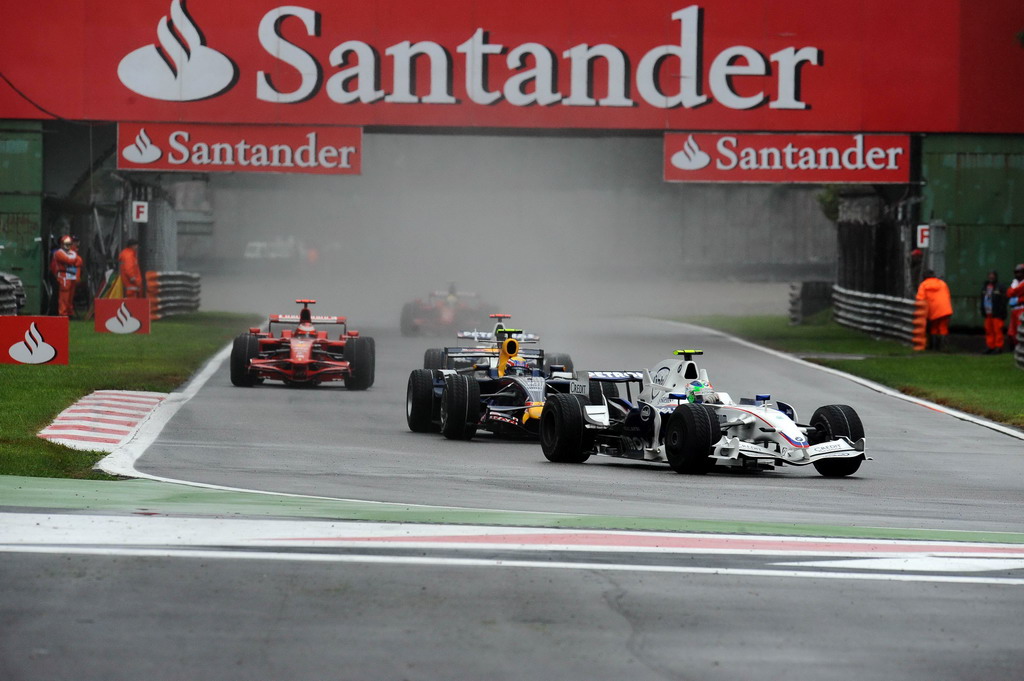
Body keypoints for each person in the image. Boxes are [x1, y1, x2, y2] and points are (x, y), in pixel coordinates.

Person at [916, 270, 953, 351]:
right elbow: (947, 295)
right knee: (943, 327)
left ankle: (933, 346)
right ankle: (943, 347)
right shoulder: (942, 283)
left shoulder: (923, 285)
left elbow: (920, 299)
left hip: (933, 310)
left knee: (934, 328)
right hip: (945, 309)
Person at [50, 235, 83, 317]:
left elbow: (79, 261)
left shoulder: (72, 252)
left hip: (71, 276)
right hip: (63, 276)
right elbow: (69, 260)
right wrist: (74, 260)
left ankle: (69, 313)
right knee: (64, 297)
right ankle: (63, 313)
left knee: (70, 297)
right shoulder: (59, 253)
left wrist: (74, 260)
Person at [979, 270, 1007, 354]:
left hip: (997, 313)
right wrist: (983, 310)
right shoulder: (985, 287)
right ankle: (990, 346)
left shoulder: (1000, 286)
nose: (991, 277)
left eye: (993, 275)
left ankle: (999, 347)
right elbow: (982, 299)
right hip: (988, 313)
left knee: (997, 330)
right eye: (990, 275)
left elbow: (1003, 300)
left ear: (995, 276)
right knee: (989, 330)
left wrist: (1001, 311)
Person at [1007, 263, 1024, 347]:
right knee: (1012, 331)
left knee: (1021, 329)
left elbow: (1014, 291)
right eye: (1016, 272)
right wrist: (1017, 297)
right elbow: (1009, 293)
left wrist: (1017, 298)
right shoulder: (1015, 282)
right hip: (1014, 309)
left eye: (1019, 272)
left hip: (1022, 309)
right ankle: (1016, 348)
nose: (1017, 274)